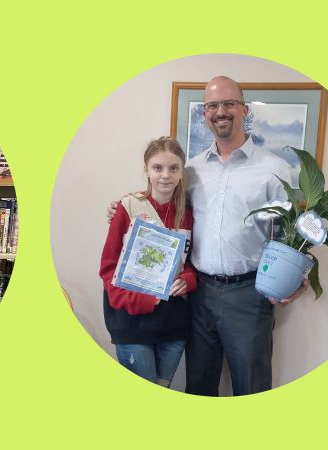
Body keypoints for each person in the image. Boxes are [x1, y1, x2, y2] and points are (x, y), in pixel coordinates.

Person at [180, 76, 305, 396]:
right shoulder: (192, 170)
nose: (220, 111)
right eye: (212, 105)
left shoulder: (274, 168)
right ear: (204, 114)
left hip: (249, 295)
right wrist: (126, 206)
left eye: (228, 103)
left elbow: (292, 234)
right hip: (199, 296)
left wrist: (300, 277)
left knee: (252, 387)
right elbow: (169, 211)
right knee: (198, 386)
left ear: (244, 109)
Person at [99, 137, 197, 387]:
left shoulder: (189, 214)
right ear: (146, 170)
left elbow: (191, 262)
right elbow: (109, 268)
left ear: (181, 171)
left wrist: (188, 280)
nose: (165, 175)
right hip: (132, 321)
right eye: (158, 168)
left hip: (173, 323)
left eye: (173, 168)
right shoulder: (128, 208)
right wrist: (138, 300)